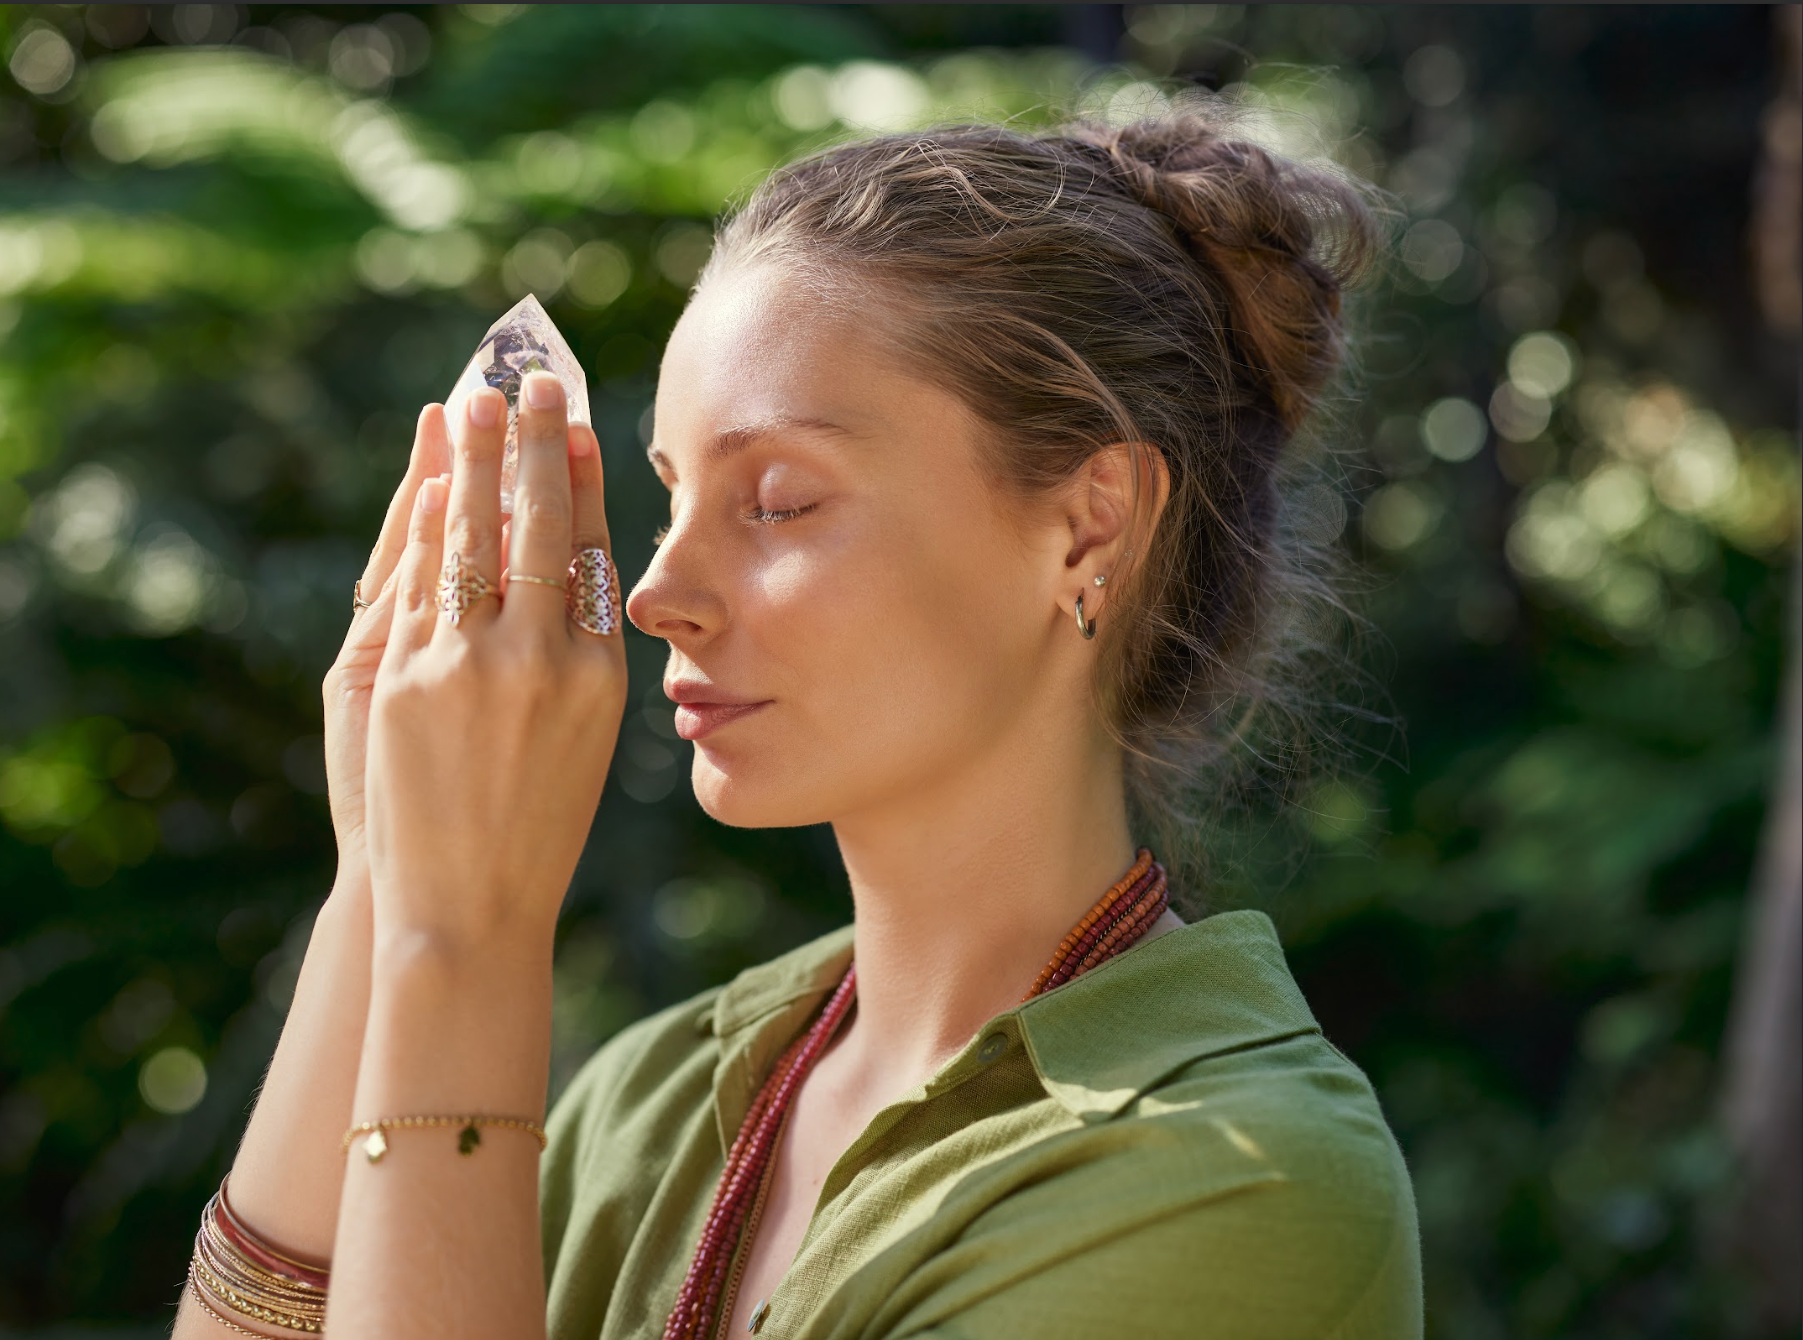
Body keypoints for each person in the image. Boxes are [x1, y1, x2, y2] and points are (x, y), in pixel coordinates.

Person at [173, 96, 1423, 1339]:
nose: (657, 592)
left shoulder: (1233, 1171)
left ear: (1089, 522)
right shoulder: (647, 1106)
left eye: (775, 500)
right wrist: (386, 884)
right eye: (671, 496)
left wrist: (469, 940)